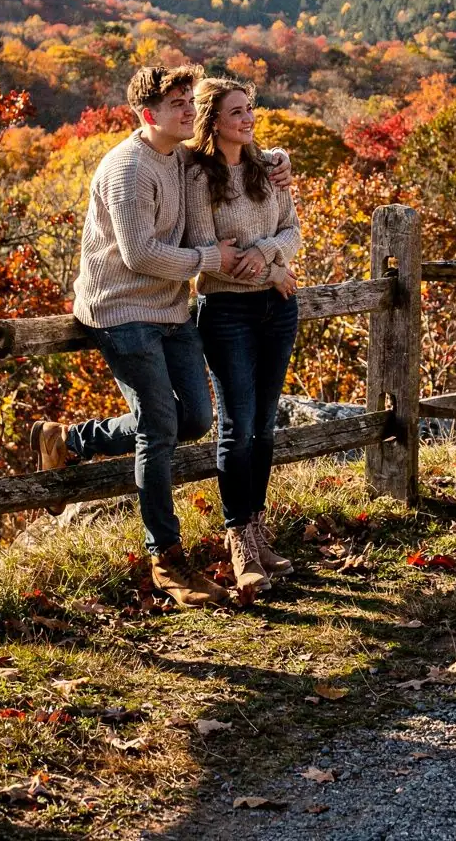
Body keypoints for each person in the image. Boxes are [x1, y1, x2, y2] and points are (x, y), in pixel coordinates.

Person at [30, 63, 291, 608]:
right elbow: (140, 255)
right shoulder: (128, 168)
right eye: (177, 104)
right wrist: (208, 258)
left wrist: (278, 162)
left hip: (171, 310)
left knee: (196, 419)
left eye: (190, 101)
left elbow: (242, 167)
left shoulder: (181, 160)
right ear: (149, 115)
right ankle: (167, 562)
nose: (188, 110)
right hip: (121, 310)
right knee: (159, 426)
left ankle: (70, 440)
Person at [184, 75, 302, 592]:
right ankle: (238, 544)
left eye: (250, 109)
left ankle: (257, 530)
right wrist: (273, 268)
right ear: (212, 121)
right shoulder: (197, 178)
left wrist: (268, 253)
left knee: (266, 427)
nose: (248, 119)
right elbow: (209, 253)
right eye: (236, 112)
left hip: (278, 312)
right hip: (227, 311)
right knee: (237, 425)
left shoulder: (268, 168)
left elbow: (293, 230)